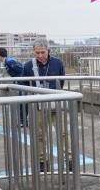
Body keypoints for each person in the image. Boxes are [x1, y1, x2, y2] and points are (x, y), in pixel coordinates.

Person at [21, 39, 72, 172]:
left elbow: (62, 81)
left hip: (56, 103)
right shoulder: (28, 66)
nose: (40, 55)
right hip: (37, 105)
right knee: (38, 134)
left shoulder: (57, 63)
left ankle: (70, 160)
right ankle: (42, 161)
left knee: (63, 132)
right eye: (37, 53)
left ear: (48, 50)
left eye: (42, 52)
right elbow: (24, 86)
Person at [0, 47, 27, 126]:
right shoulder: (7, 61)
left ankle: (23, 121)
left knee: (22, 103)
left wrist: (19, 80)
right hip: (19, 82)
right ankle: (23, 121)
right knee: (21, 103)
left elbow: (21, 70)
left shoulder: (9, 61)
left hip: (21, 83)